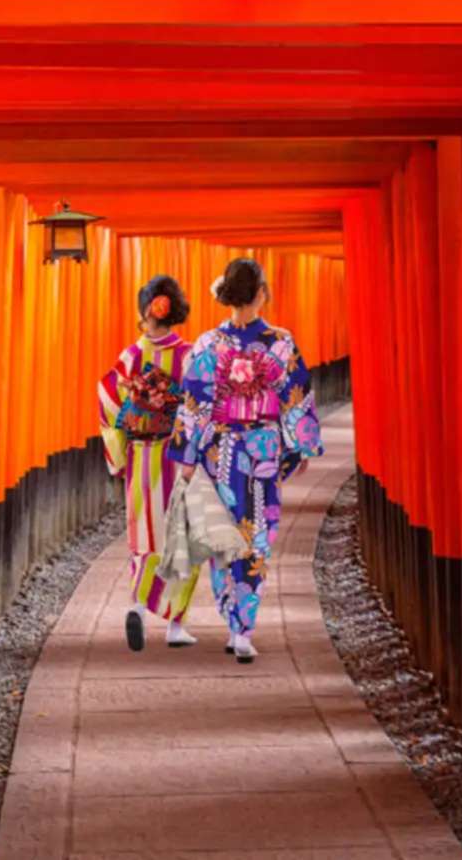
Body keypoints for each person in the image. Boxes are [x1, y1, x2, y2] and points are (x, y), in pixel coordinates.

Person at [168, 258, 324, 663]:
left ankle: (232, 619)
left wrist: (188, 455)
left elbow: (194, 403)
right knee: (256, 536)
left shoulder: (207, 345)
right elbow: (296, 395)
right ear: (261, 293)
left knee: (225, 536)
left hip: (221, 450)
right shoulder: (281, 342)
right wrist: (300, 444)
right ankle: (243, 628)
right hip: (262, 449)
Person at [97, 275, 202, 651]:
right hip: (179, 456)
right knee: (184, 536)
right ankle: (176, 625)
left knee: (145, 533)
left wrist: (119, 452)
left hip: (142, 456)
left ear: (145, 311)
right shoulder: (189, 355)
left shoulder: (131, 356)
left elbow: (108, 401)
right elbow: (198, 407)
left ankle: (139, 606)